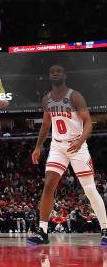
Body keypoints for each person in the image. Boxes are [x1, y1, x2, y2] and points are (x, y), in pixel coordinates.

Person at [28, 64, 107, 246]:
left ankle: (105, 229)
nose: (54, 73)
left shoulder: (75, 96)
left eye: (58, 71)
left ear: (64, 75)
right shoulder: (47, 99)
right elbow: (46, 125)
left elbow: (88, 123)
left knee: (89, 188)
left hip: (77, 145)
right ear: (50, 76)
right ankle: (43, 232)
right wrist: (38, 146)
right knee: (48, 185)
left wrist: (80, 141)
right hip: (57, 146)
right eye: (52, 71)